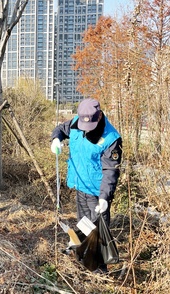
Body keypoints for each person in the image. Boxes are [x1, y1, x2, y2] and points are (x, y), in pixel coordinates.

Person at [50, 98, 122, 272]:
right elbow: (60, 129)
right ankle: (82, 253)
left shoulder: (111, 138)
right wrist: (56, 139)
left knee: (97, 230)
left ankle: (98, 269)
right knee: (83, 223)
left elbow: (110, 170)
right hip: (79, 185)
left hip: (97, 192)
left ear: (98, 117)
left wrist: (105, 197)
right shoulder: (76, 122)